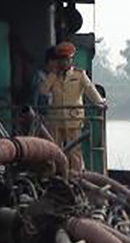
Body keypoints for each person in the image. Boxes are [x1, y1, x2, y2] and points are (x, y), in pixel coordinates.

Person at [39, 41, 105, 170]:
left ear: (71, 60)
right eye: (61, 60)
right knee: (55, 149)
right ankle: (57, 175)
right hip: (56, 119)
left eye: (66, 59)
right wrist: (52, 75)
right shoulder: (53, 76)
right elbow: (43, 90)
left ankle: (76, 176)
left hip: (73, 119)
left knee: (74, 150)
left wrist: (100, 103)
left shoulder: (79, 75)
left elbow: (90, 90)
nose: (63, 63)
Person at [30, 46, 58, 110]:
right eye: (56, 61)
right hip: (42, 113)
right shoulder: (39, 76)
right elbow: (35, 96)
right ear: (50, 61)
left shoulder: (59, 75)